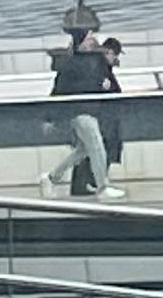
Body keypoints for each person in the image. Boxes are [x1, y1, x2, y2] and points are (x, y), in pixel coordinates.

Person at [43, 24, 122, 199]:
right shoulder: (71, 63)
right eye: (89, 36)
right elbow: (59, 89)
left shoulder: (97, 61)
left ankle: (51, 177)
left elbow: (108, 84)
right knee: (97, 146)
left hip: (92, 111)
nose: (93, 39)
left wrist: (106, 86)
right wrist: (50, 117)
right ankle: (102, 187)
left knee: (84, 149)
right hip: (79, 111)